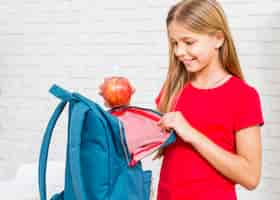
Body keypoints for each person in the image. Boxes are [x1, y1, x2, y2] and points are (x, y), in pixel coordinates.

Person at [154, 0, 264, 199]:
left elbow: (250, 177)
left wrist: (192, 134)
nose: (179, 52)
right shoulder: (173, 89)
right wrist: (121, 109)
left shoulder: (243, 96)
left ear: (218, 39)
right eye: (175, 43)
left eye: (188, 42)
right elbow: (148, 144)